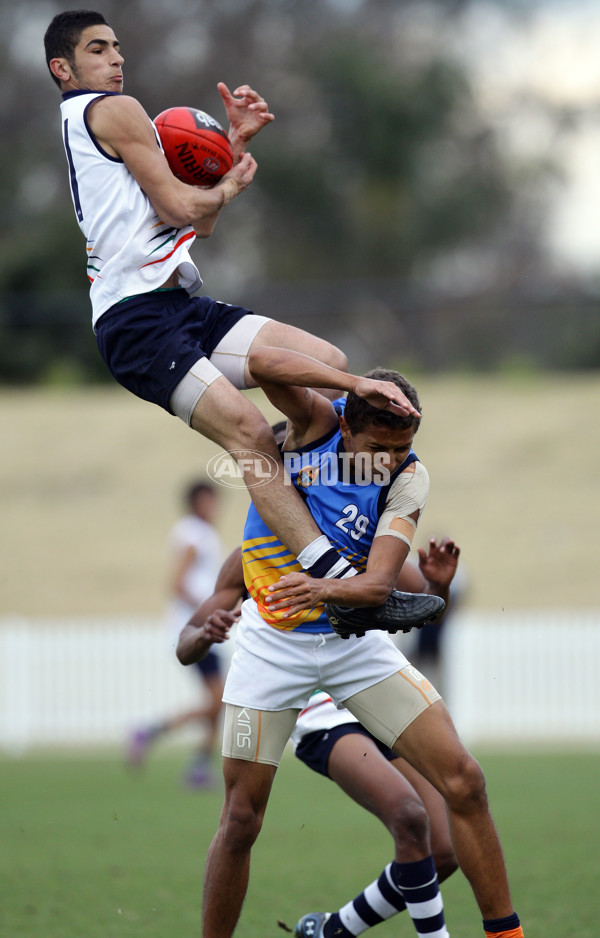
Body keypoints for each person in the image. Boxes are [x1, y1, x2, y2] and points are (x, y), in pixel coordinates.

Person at [43, 11, 432, 627]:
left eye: (117, 47)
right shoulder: (113, 110)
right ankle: (344, 588)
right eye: (97, 50)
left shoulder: (97, 122)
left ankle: (294, 476)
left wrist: (232, 152)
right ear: (62, 68)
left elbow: (193, 221)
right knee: (250, 438)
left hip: (178, 307)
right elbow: (185, 203)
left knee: (325, 363)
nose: (115, 59)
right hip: (136, 325)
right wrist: (226, 185)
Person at [183, 346, 524, 938]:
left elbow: (382, 586)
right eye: (378, 451)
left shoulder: (409, 475)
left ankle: (506, 934)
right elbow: (262, 363)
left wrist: (337, 587)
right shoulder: (312, 429)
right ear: (343, 422)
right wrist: (201, 634)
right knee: (241, 818)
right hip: (272, 650)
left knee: (464, 780)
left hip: (353, 644)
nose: (390, 463)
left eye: (401, 450)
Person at [176, 527, 461, 936]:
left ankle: (333, 930)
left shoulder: (365, 541)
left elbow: (429, 609)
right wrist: (204, 634)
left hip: (372, 688)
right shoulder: (254, 554)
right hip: (321, 710)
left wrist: (441, 586)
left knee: (445, 850)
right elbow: (185, 644)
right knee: (408, 816)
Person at [127, 480, 225, 787]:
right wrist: (207, 609)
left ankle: (197, 766)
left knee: (219, 699)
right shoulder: (194, 534)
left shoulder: (198, 533)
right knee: (219, 698)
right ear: (197, 503)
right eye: (209, 501)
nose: (214, 507)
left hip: (202, 628)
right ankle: (153, 731)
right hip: (195, 629)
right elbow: (178, 583)